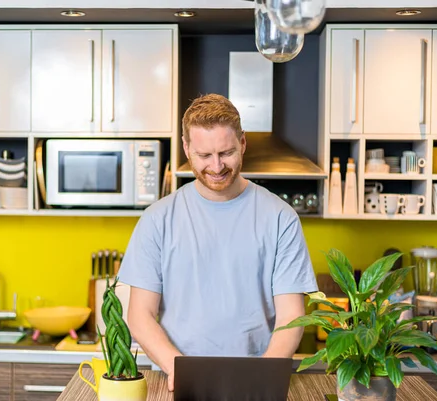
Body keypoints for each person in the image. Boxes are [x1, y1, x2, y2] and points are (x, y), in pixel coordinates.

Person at [118, 93, 318, 391]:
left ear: (243, 143)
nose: (216, 166)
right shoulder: (157, 219)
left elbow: (291, 315)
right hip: (177, 377)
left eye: (226, 153)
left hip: (255, 376)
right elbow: (139, 314)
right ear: (186, 148)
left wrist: (263, 378)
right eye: (204, 156)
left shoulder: (280, 217)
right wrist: (178, 369)